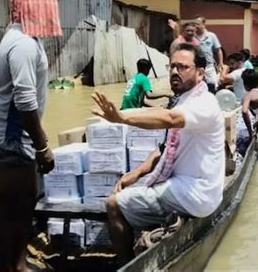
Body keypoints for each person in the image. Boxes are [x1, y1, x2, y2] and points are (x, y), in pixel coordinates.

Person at [91, 43, 225, 265]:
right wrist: (136, 173)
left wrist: (122, 118)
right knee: (137, 189)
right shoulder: (183, 99)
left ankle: (127, 265)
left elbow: (171, 119)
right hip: (188, 187)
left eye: (183, 67)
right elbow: (164, 148)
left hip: (195, 193)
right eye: (172, 66)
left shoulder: (205, 103)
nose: (174, 72)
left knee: (114, 204)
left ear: (200, 73)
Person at [0, 0, 60, 270]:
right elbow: (25, 101)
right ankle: (16, 266)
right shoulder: (23, 44)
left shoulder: (21, 39)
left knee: (17, 210)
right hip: (9, 142)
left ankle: (15, 263)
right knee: (19, 211)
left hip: (11, 141)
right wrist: (43, 147)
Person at [194, 16, 223, 93]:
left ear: (203, 24)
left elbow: (218, 50)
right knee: (197, 88)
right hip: (197, 67)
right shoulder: (192, 36)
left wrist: (220, 63)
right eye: (195, 24)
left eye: (198, 24)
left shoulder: (211, 36)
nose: (195, 26)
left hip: (209, 67)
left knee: (213, 86)